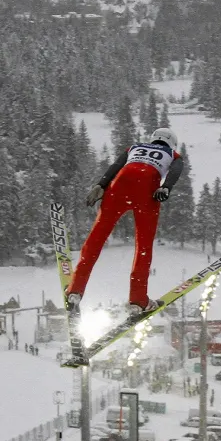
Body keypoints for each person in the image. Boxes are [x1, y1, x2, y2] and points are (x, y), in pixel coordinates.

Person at [66, 127, 186, 321]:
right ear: (172, 143)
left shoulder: (134, 147)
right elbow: (176, 170)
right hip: (147, 191)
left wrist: (101, 185)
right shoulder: (173, 154)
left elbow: (116, 165)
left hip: (119, 186)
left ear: (153, 139)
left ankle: (75, 291)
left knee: (96, 238)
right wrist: (166, 187)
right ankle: (138, 301)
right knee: (143, 248)